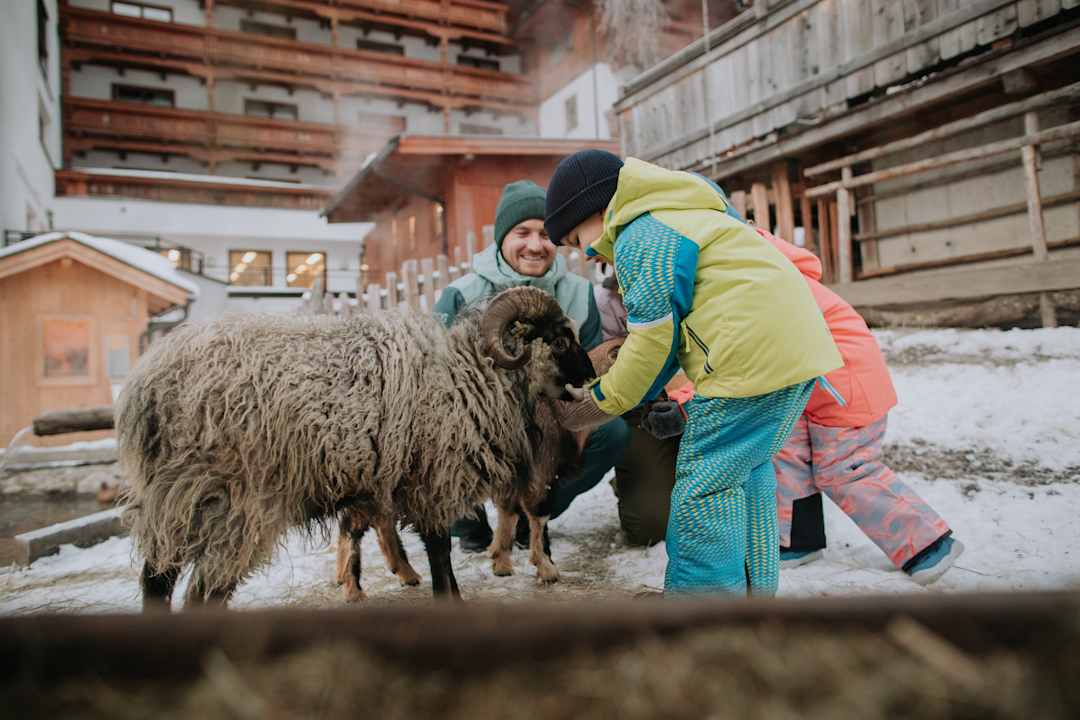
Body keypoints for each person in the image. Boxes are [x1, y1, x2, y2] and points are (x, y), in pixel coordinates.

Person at [546, 150, 842, 596]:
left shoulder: (641, 236)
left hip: (744, 366)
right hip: (793, 356)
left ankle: (699, 609)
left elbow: (650, 341)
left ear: (596, 207)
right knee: (745, 472)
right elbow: (670, 338)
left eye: (576, 236)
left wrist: (598, 401)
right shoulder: (685, 214)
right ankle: (752, 592)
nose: (587, 251)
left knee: (702, 486)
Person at [756, 227, 964, 586]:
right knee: (786, 450)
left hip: (845, 384)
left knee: (844, 468)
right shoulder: (761, 268)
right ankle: (797, 541)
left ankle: (928, 544)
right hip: (811, 385)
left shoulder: (765, 279)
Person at [434, 179, 630, 553]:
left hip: (548, 414)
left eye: (545, 233)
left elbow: (585, 368)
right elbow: (435, 378)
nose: (536, 245)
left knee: (612, 433)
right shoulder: (461, 294)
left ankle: (535, 511)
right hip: (477, 416)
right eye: (522, 232)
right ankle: (464, 517)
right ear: (501, 237)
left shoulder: (578, 293)